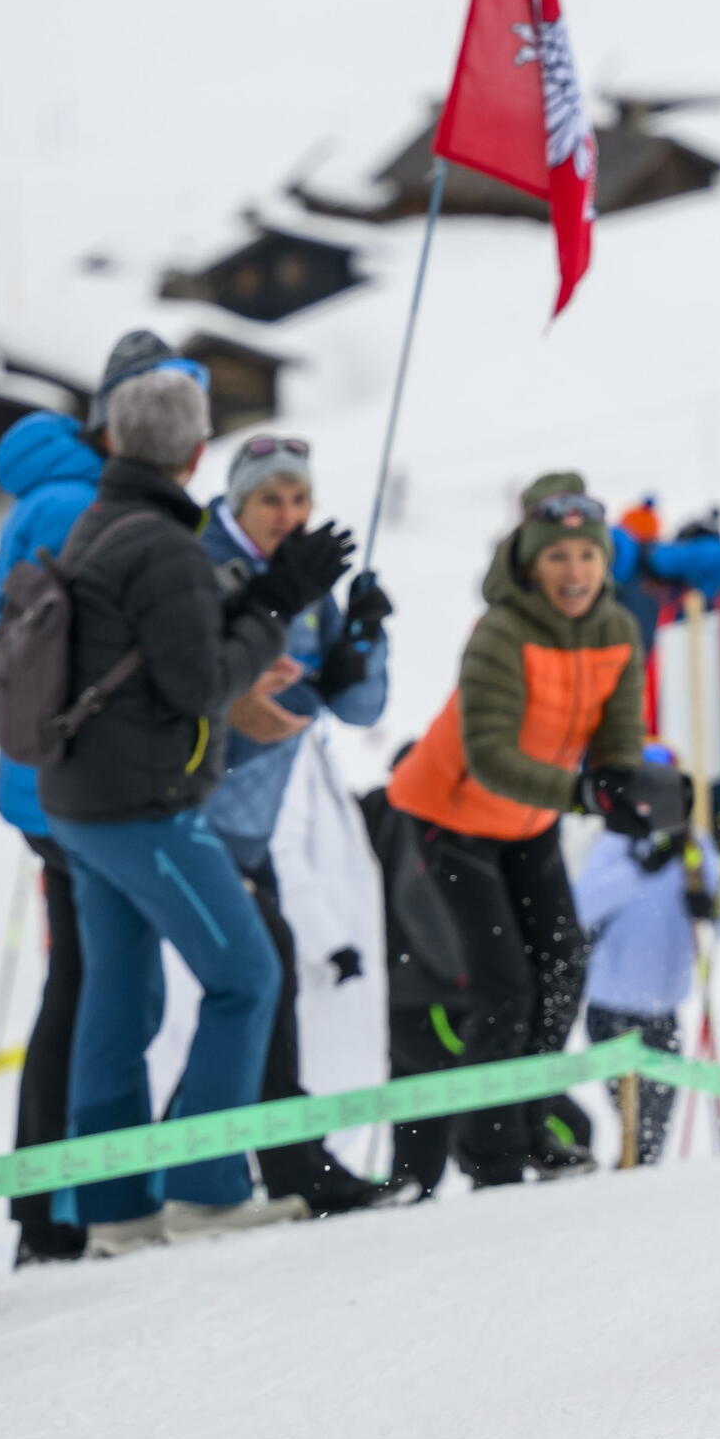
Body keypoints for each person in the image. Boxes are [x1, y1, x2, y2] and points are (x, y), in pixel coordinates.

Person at [41, 361, 353, 1253]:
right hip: (144, 805)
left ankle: (115, 1208)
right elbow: (202, 683)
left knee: (118, 1002)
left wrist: (257, 600)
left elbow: (167, 645)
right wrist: (278, 603)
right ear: (195, 451)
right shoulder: (166, 544)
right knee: (246, 975)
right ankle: (204, 1188)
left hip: (81, 801)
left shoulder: (103, 521)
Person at [382, 474, 683, 1192]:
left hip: (530, 818)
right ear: (530, 564)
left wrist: (623, 788)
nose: (574, 572)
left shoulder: (617, 630)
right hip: (450, 814)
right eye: (557, 557)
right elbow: (489, 756)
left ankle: (530, 1121)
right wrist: (583, 793)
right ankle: (490, 1153)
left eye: (587, 556)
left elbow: (617, 737)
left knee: (562, 966)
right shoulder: (501, 633)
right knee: (505, 985)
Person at [194, 434, 400, 1214]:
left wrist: (366, 637)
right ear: (237, 502)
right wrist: (315, 689)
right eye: (269, 500)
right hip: (191, 821)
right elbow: (229, 724)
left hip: (250, 834)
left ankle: (271, 1163)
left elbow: (360, 708)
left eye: (299, 499)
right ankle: (250, 1167)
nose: (287, 515)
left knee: (258, 983)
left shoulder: (307, 574)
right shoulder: (206, 565)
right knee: (255, 977)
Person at [0, 356, 122, 1263]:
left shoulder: (43, 500)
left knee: (78, 977)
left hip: (38, 777)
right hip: (71, 781)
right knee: (87, 982)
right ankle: (58, 1204)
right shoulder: (75, 505)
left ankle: (51, 1202)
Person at [574, 747, 720, 1167]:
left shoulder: (693, 845)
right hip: (611, 1007)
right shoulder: (614, 840)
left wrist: (708, 904)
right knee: (633, 1129)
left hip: (663, 1012)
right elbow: (580, 907)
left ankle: (638, 1191)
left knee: (651, 1137)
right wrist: (641, 867)